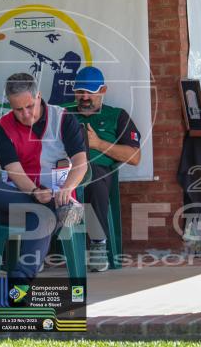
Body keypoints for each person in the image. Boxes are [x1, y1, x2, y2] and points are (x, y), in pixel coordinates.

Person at [0, 73, 87, 282]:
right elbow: (14, 170)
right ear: (10, 105)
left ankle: (19, 283)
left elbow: (81, 162)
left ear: (39, 96)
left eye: (29, 106)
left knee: (41, 215)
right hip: (19, 201)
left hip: (58, 199)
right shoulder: (0, 128)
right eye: (18, 110)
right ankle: (49, 209)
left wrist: (67, 188)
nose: (26, 115)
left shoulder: (63, 118)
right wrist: (36, 193)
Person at [69, 66, 141, 272]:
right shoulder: (64, 114)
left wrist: (98, 144)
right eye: (80, 92)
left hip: (98, 173)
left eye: (90, 92)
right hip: (64, 172)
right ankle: (34, 250)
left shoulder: (117, 115)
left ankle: (98, 245)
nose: (84, 97)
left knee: (92, 175)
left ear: (103, 91)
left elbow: (135, 157)